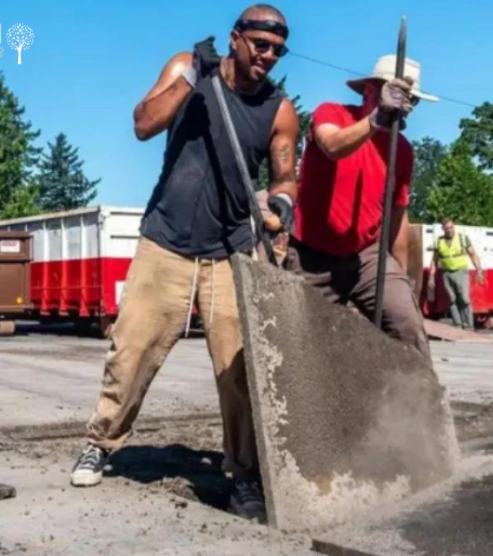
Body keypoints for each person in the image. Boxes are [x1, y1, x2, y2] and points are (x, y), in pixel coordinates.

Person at [68, 4, 299, 522]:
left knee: (240, 370)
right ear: (236, 38)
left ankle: (244, 475)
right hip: (166, 240)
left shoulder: (279, 109)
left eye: (278, 51)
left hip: (232, 251)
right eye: (260, 46)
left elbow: (286, 176)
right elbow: (143, 124)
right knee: (130, 351)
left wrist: (280, 206)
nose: (268, 57)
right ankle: (100, 444)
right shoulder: (188, 70)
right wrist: (193, 75)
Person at [287, 54, 438, 358]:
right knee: (301, 346)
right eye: (397, 94)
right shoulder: (332, 113)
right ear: (370, 90)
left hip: (366, 256)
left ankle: (419, 401)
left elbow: (397, 216)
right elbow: (332, 147)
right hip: (311, 255)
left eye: (411, 100)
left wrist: (403, 278)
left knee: (406, 323)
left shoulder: (402, 150)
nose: (404, 105)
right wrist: (376, 119)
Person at [427, 219, 485, 330]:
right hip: (446, 273)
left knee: (464, 298)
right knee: (452, 299)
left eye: (451, 227)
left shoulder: (462, 238)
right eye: (447, 228)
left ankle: (468, 325)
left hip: (461, 272)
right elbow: (434, 261)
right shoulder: (439, 241)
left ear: (454, 227)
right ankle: (458, 325)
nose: (449, 230)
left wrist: (479, 270)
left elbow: (473, 255)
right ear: (443, 229)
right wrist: (431, 277)